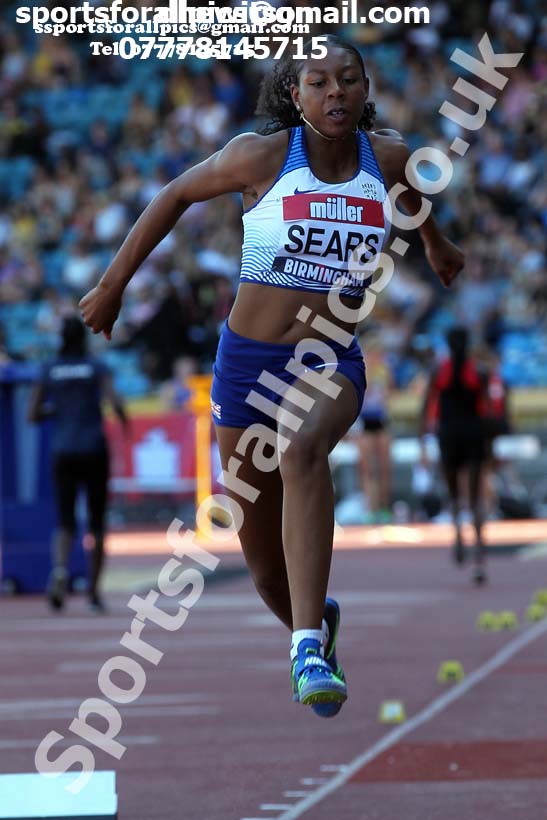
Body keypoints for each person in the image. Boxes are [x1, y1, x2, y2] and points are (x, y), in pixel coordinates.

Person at [79, 36, 463, 715]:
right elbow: (173, 194)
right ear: (295, 94)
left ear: (366, 88)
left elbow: (414, 196)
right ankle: (310, 625)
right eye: (317, 82)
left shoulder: (391, 159)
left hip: (326, 360)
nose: (335, 92)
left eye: (347, 79)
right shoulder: (261, 157)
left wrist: (435, 245)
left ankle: (307, 647)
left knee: (300, 445)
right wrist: (112, 286)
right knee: (262, 568)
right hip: (246, 366)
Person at [29, 315, 129, 612]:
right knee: (97, 523)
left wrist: (57, 408)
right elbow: (115, 402)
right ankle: (94, 594)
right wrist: (125, 426)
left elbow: (32, 414)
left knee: (64, 520)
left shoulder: (50, 369)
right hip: (93, 448)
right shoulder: (96, 367)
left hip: (63, 449)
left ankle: (60, 571)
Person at [422, 327, 487, 584]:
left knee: (454, 494)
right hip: (473, 434)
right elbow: (489, 411)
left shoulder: (439, 371)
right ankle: (480, 552)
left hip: (448, 435)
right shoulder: (478, 371)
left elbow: (425, 408)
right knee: (475, 496)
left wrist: (423, 443)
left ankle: (459, 532)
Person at [356, 338, 393, 523]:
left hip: (381, 421)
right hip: (366, 422)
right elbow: (363, 394)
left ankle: (385, 507)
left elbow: (388, 395)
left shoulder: (384, 371)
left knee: (384, 468)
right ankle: (371, 507)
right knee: (369, 469)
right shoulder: (364, 371)